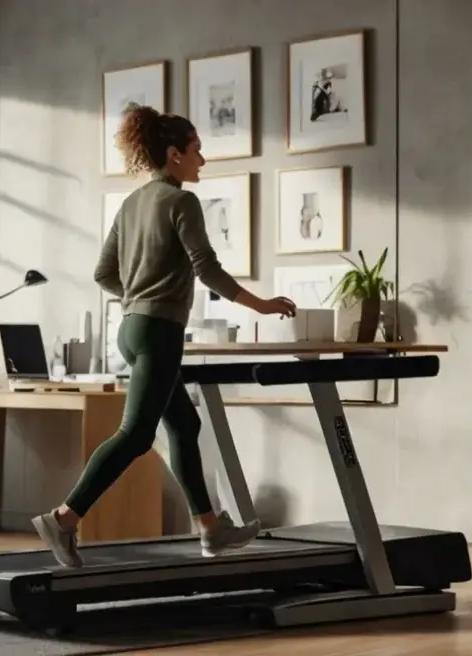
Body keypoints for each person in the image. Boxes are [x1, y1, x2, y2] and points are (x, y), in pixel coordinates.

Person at [31, 104, 297, 568]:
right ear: (174, 154)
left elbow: (103, 274)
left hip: (132, 330)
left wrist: (138, 296)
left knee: (184, 426)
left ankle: (210, 529)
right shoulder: (181, 201)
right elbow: (206, 268)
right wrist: (263, 305)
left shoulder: (132, 203)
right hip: (159, 332)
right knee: (136, 435)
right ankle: (64, 518)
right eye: (197, 150)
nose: (202, 160)